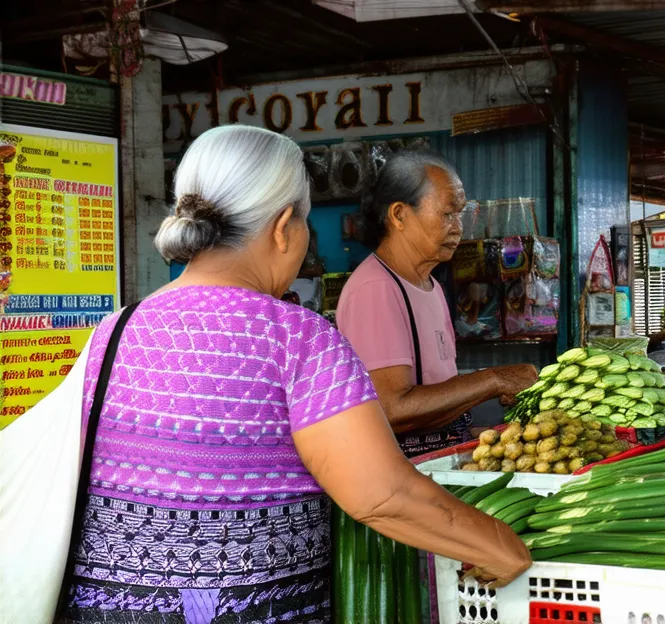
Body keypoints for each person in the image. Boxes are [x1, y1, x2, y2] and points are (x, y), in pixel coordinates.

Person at [58, 126, 530, 623]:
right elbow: (383, 494)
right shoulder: (295, 336)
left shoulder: (111, 332)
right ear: (284, 225)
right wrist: (500, 546)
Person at [336, 151, 539, 456]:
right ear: (400, 215)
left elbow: (436, 392)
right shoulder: (376, 289)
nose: (459, 227)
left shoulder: (431, 285)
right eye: (447, 214)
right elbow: (391, 409)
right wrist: (493, 380)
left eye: (460, 214)